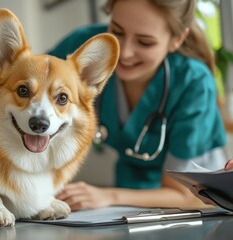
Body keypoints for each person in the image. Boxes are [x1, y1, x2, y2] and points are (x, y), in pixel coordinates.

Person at [49, 0, 228, 211]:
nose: (123, 53)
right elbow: (26, 89)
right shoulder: (85, 48)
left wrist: (107, 196)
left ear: (177, 40)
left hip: (199, 203)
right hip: (127, 192)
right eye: (117, 31)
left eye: (144, 42)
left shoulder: (193, 82)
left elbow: (188, 194)